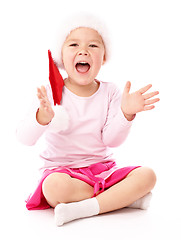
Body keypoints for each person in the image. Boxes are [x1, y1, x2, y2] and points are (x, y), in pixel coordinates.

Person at [16, 14, 159, 226]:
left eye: (93, 45)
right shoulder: (50, 92)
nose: (83, 50)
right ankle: (119, 199)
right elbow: (24, 138)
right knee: (54, 187)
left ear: (103, 58)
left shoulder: (111, 92)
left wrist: (126, 113)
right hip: (63, 174)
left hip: (102, 171)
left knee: (148, 176)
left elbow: (112, 140)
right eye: (74, 44)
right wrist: (42, 118)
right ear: (61, 57)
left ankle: (85, 208)